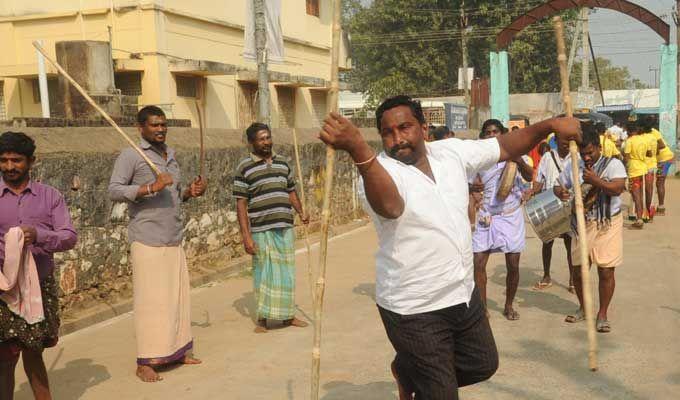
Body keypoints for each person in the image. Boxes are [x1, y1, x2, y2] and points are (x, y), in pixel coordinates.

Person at [318, 95, 581, 399]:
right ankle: (420, 377)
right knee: (442, 394)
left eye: (405, 128)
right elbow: (391, 207)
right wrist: (358, 149)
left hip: (460, 291)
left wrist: (550, 125)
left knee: (483, 363)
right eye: (388, 133)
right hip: (413, 306)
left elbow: (506, 146)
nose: (397, 138)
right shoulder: (376, 172)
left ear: (424, 128)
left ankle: (408, 370)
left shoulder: (450, 152)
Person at [108, 106, 206, 382]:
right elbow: (113, 190)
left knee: (177, 299)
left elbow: (174, 195)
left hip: (173, 236)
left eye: (163, 125)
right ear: (141, 128)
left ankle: (178, 351)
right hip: (147, 238)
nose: (160, 129)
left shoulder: (170, 156)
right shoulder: (132, 155)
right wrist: (151, 187)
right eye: (154, 125)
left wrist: (189, 192)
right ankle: (146, 362)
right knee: (151, 303)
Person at [0, 131, 77, 400]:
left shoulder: (50, 196)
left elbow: (69, 237)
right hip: (2, 288)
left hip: (38, 286)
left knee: (34, 353)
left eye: (17, 160)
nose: (10, 167)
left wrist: (40, 236)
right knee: (4, 358)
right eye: (4, 160)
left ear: (31, 162)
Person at [233, 122, 309, 334]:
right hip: (260, 230)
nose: (266, 142)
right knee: (264, 273)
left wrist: (301, 212)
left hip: (284, 226)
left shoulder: (283, 163)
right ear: (251, 143)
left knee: (286, 272)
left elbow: (291, 191)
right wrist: (246, 237)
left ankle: (287, 316)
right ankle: (264, 318)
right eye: (261, 139)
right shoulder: (244, 168)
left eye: (268, 138)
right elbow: (241, 204)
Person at [557, 124, 626, 333]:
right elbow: (558, 185)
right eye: (582, 153)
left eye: (590, 153)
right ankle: (584, 307)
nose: (586, 158)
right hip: (582, 223)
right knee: (578, 272)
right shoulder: (573, 165)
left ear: (598, 147)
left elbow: (618, 188)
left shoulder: (613, 164)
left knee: (606, 270)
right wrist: (561, 192)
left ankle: (602, 314)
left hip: (608, 223)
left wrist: (596, 181)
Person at [472, 119, 533, 321]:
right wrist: (475, 192)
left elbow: (529, 176)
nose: (491, 135)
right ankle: (482, 308)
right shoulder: (478, 160)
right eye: (488, 132)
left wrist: (518, 160)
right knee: (478, 263)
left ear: (502, 133)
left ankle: (508, 305)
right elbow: (470, 185)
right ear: (482, 136)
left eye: (495, 131)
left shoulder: (515, 155)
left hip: (510, 215)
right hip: (487, 215)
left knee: (513, 265)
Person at [532, 132, 574, 292]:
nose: (566, 143)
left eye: (568, 140)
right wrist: (532, 193)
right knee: (547, 241)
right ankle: (546, 276)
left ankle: (572, 279)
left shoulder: (576, 157)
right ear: (556, 140)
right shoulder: (548, 157)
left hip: (569, 203)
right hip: (550, 202)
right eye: (563, 139)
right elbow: (539, 179)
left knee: (570, 244)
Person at [623, 121, 648, 229]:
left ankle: (639, 219)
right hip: (643, 167)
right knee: (640, 194)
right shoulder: (643, 139)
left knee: (635, 195)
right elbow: (649, 153)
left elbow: (627, 156)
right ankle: (640, 216)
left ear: (628, 131)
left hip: (634, 168)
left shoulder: (629, 141)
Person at [650, 125, 674, 216]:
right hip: (661, 160)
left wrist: (652, 151)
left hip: (664, 160)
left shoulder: (653, 131)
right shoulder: (650, 131)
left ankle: (661, 208)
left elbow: (662, 145)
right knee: (659, 182)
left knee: (660, 182)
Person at [640, 118, 658, 221]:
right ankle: (650, 212)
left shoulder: (641, 138)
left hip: (642, 166)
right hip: (652, 166)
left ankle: (643, 213)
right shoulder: (654, 137)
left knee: (641, 191)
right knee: (650, 190)